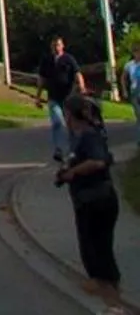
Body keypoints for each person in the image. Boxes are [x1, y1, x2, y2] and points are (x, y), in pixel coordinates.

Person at [57, 89, 122, 305]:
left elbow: (98, 161)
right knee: (95, 254)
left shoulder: (89, 135)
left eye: (65, 114)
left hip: (97, 199)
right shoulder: (79, 137)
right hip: (87, 200)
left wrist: (74, 172)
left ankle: (114, 304)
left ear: (69, 114)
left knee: (99, 256)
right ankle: (110, 302)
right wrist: (66, 170)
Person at [38, 35, 83, 164]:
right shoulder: (47, 61)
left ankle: (74, 149)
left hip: (68, 97)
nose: (56, 47)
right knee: (57, 122)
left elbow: (77, 73)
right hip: (53, 97)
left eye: (58, 45)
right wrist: (38, 96)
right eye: (53, 45)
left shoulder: (68, 59)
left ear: (62, 46)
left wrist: (81, 86)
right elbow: (42, 79)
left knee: (71, 123)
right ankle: (58, 149)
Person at [123, 44, 140, 129]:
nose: (138, 54)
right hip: (134, 91)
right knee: (138, 114)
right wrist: (124, 90)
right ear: (133, 53)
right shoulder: (129, 65)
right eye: (136, 52)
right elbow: (123, 78)